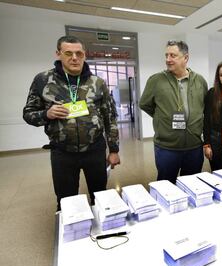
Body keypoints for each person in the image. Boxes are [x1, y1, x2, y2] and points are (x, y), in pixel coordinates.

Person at [23, 35, 120, 210]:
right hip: (62, 152)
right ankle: (73, 233)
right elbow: (28, 114)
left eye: (79, 53)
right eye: (68, 53)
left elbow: (110, 117)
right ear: (58, 54)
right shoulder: (43, 80)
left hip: (95, 150)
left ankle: (103, 231)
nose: (74, 58)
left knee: (100, 196)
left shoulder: (98, 83)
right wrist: (47, 114)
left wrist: (113, 150)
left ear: (84, 55)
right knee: (66, 200)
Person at [139, 40, 208, 183]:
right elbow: (145, 104)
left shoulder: (200, 81)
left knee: (192, 185)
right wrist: (162, 117)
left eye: (173, 55)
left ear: (186, 58)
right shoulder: (156, 80)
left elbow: (204, 107)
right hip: (166, 148)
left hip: (194, 146)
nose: (168, 59)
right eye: (166, 55)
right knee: (166, 186)